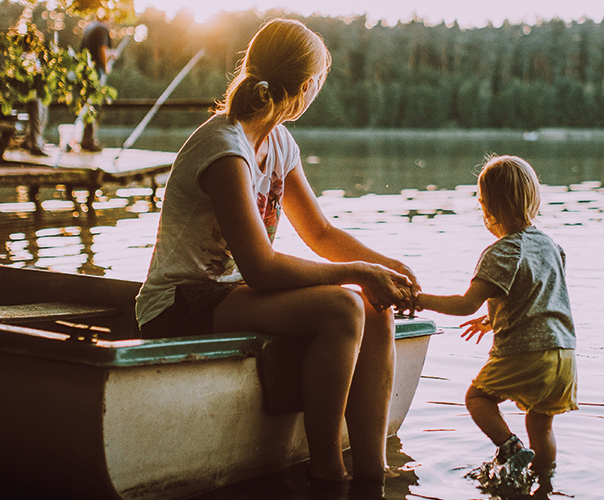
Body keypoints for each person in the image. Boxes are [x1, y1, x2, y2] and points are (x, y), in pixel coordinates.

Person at [135, 18, 417, 499]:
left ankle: (374, 474)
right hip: (179, 303)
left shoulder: (280, 143)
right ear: (307, 87)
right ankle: (328, 473)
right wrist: (358, 272)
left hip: (231, 296)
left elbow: (321, 232)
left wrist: (386, 267)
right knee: (345, 306)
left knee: (374, 306)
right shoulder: (225, 148)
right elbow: (261, 267)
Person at [413, 155, 577, 491]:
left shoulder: (502, 251)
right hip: (564, 357)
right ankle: (543, 484)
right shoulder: (552, 247)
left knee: (478, 398)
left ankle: (510, 446)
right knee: (542, 426)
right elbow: (537, 298)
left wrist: (418, 300)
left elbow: (464, 304)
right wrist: (491, 320)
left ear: (488, 208)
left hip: (525, 353)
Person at [79, 14, 116, 152]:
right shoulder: (102, 29)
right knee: (94, 106)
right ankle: (89, 140)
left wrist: (110, 54)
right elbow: (101, 49)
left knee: (88, 104)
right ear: (107, 18)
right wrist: (105, 68)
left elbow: (93, 49)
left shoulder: (89, 27)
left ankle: (86, 139)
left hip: (84, 70)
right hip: (95, 71)